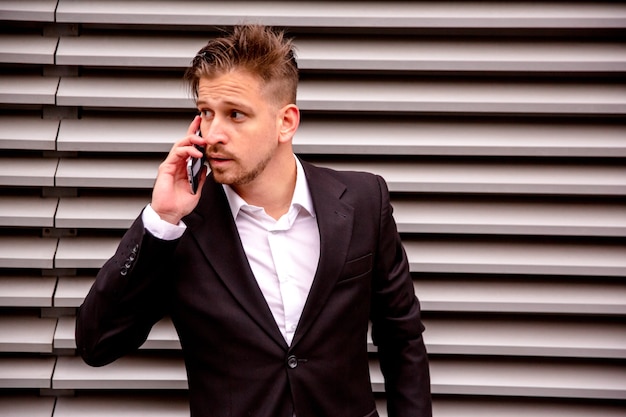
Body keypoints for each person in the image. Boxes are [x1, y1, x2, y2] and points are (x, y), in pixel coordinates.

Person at [76, 24, 432, 417]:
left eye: (235, 115)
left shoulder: (364, 201)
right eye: (205, 113)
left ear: (286, 122)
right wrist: (161, 220)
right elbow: (96, 345)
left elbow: (402, 339)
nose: (213, 134)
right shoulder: (181, 225)